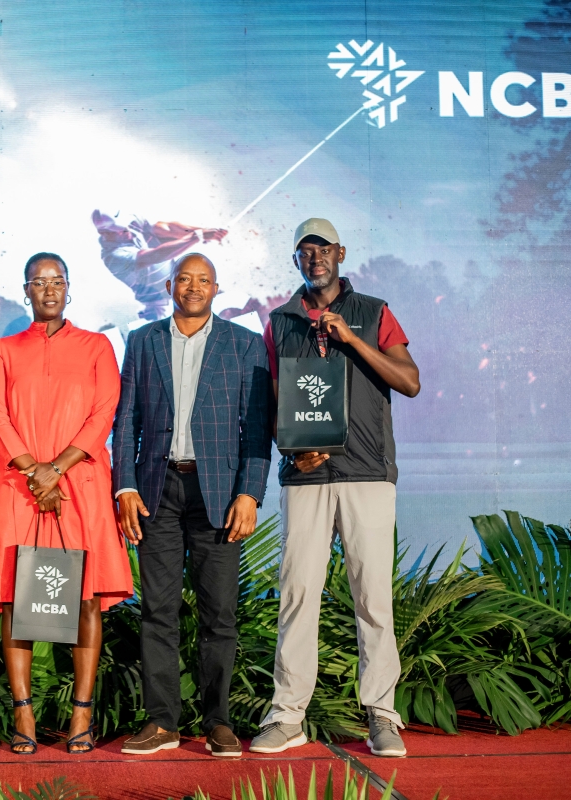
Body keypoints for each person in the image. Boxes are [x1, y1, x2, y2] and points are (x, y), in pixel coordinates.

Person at [250, 218, 420, 758]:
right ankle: (288, 714)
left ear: (340, 253)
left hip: (367, 471)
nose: (313, 257)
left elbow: (410, 381)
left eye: (322, 248)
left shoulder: (373, 312)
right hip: (306, 476)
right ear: (296, 261)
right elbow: (273, 402)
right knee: (298, 593)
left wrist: (352, 340)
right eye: (304, 250)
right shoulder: (280, 322)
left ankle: (382, 716)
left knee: (373, 597)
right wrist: (291, 448)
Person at [0, 252, 133, 755]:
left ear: (68, 288)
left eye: (57, 280)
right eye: (39, 282)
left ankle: (80, 715)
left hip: (77, 486)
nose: (49, 289)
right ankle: (25, 717)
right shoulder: (4, 350)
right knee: (17, 599)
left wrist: (55, 469)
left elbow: (104, 412)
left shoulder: (97, 346)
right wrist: (34, 471)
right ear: (26, 291)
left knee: (85, 596)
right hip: (17, 487)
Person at [112, 253, 271, 757]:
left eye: (204, 280)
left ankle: (217, 722)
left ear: (217, 288)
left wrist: (250, 492)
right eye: (186, 279)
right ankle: (162, 722)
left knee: (219, 614)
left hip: (220, 495)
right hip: (157, 491)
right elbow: (126, 421)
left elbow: (257, 428)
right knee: (158, 611)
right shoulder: (143, 341)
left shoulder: (244, 345)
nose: (194, 287)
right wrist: (125, 486)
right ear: (169, 285)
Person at [92, 210, 228, 321]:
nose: (127, 229)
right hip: (160, 307)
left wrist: (204, 231)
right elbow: (156, 255)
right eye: (121, 230)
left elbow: (168, 228)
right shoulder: (112, 257)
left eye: (126, 226)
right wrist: (197, 236)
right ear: (104, 233)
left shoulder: (131, 221)